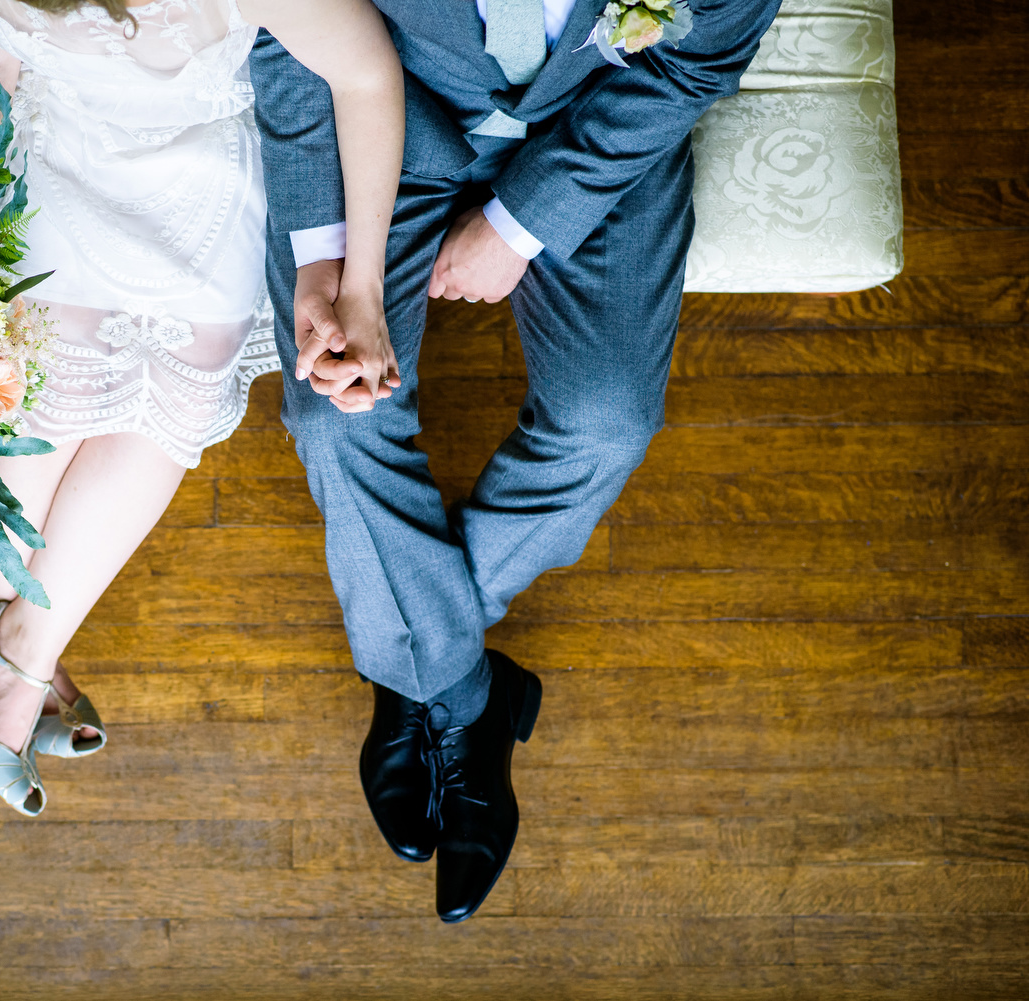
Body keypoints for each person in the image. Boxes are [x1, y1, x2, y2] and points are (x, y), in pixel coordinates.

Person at [250, 0, 782, 921]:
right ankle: (464, 699)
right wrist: (320, 257)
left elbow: (693, 61)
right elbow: (284, 32)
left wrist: (523, 222)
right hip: (386, 114)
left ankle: (418, 666)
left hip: (598, 128)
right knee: (337, 421)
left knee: (607, 421)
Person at [0, 0, 404, 817]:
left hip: (200, 194)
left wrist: (363, 288)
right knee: (25, 395)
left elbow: (367, 73)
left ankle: (17, 661)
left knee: (170, 409)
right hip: (57, 170)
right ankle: (20, 660)